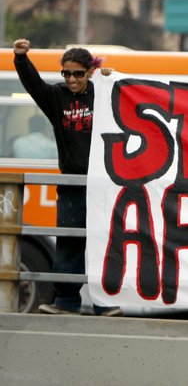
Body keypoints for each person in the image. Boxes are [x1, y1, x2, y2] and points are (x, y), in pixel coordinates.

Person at [13, 38, 122, 317]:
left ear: (89, 72)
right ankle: (66, 302)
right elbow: (34, 85)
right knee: (69, 242)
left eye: (78, 73)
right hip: (72, 183)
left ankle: (105, 303)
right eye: (67, 74)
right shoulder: (57, 98)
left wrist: (112, 80)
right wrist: (21, 59)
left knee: (102, 242)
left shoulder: (101, 94)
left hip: (101, 183)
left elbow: (130, 98)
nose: (72, 79)